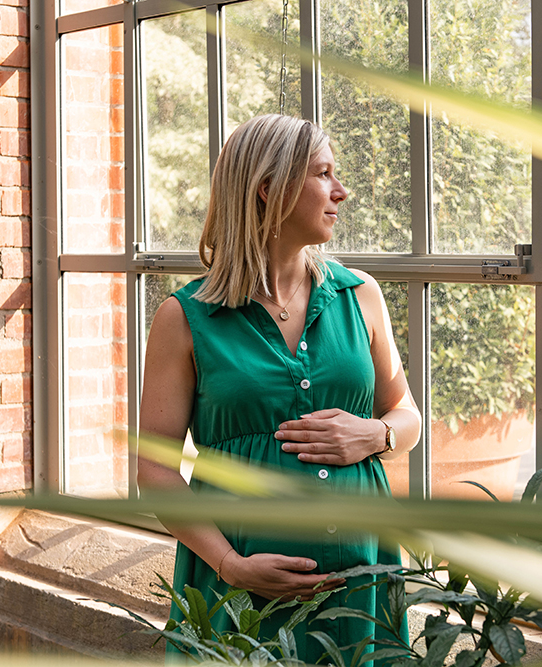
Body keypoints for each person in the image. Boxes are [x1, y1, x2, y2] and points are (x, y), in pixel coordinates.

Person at [137, 114, 421, 664]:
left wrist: (376, 435)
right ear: (270, 188)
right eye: (324, 174)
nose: (342, 191)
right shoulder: (185, 317)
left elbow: (406, 415)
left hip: (360, 580)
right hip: (239, 590)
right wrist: (229, 565)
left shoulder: (360, 296)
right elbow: (154, 467)